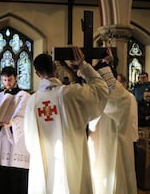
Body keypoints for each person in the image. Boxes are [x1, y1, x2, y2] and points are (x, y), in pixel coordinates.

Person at [23, 47, 108, 194]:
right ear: (55, 67)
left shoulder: (32, 101)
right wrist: (83, 66)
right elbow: (101, 90)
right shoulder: (71, 94)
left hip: (44, 163)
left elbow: (29, 142)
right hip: (72, 158)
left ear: (37, 74)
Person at [87, 49, 138, 194]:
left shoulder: (124, 97)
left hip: (114, 148)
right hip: (97, 147)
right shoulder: (98, 96)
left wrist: (103, 64)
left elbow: (111, 92)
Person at [0, 66, 30, 194]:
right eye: (5, 80)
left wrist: (12, 124)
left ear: (16, 78)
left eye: (10, 79)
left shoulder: (25, 96)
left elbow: (25, 118)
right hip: (3, 140)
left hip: (17, 142)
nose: (7, 83)